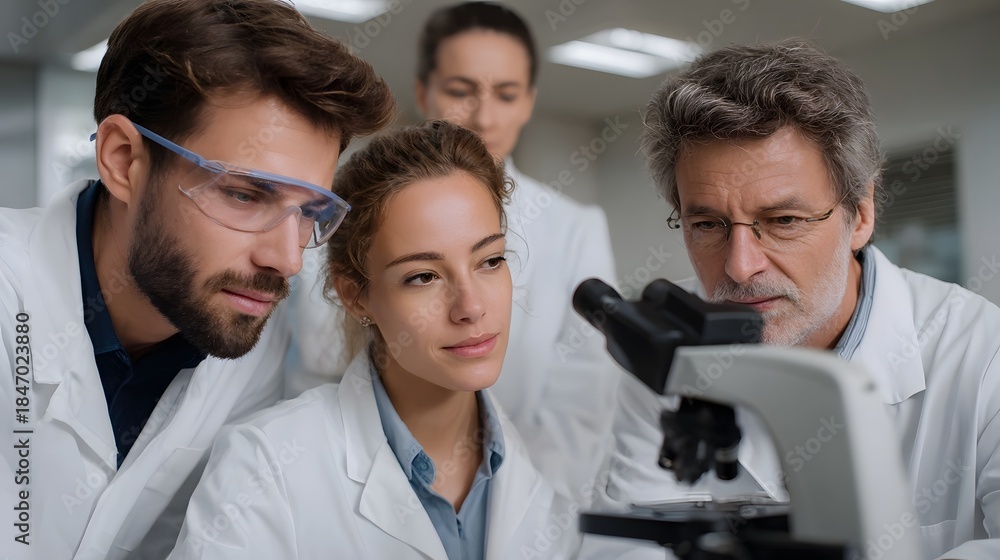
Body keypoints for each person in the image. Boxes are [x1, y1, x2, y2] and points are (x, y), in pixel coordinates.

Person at [0, 1, 394, 558]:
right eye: (245, 195)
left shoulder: (243, 330)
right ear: (123, 160)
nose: (286, 260)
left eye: (310, 211)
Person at [580, 39, 1000, 559]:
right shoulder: (668, 348)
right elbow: (622, 548)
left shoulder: (981, 353)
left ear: (861, 215)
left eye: (783, 221)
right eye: (707, 224)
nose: (740, 266)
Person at [167, 121, 580, 560]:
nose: (471, 307)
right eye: (423, 277)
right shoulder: (264, 467)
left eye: (490, 261)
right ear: (355, 295)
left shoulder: (546, 481)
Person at [286, 0, 621, 507]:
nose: (483, 115)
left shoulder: (575, 227)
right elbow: (312, 368)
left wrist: (507, 509)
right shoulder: (340, 214)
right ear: (423, 92)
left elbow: (582, 406)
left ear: (528, 102)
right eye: (461, 91)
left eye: (506, 94)